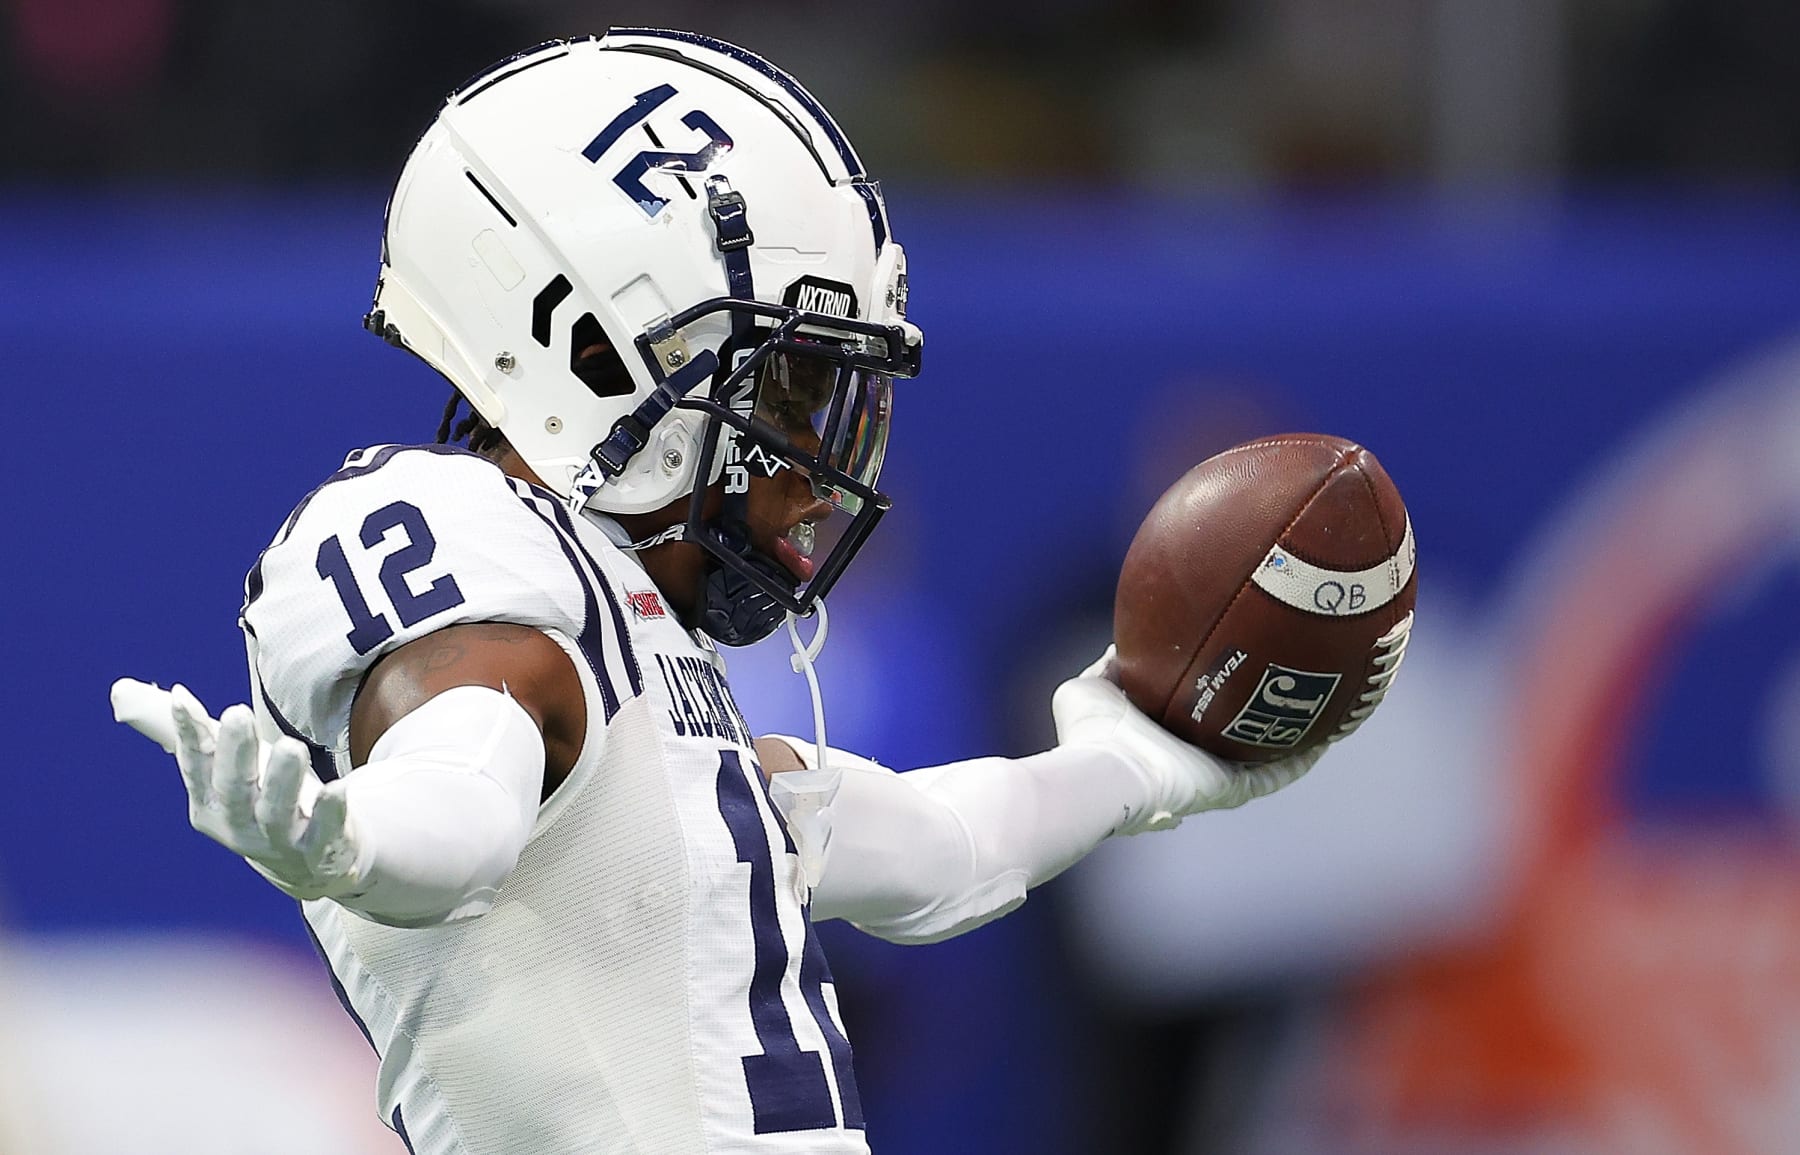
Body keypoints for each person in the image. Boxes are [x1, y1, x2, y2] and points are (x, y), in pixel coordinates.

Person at [111, 30, 1320, 1155]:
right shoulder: (473, 554)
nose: (811, 468)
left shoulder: (634, 644)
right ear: (587, 351)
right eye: (784, 393)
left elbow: (937, 846)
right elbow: (463, 789)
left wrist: (1137, 767)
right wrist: (364, 845)